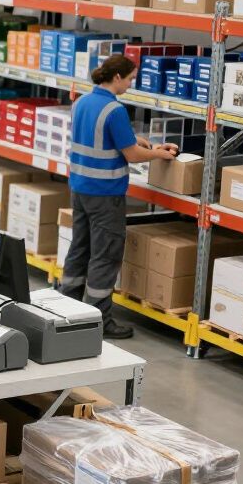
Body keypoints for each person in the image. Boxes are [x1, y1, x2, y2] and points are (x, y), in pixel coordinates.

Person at [62, 53, 178, 339]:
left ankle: (66, 307)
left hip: (79, 189)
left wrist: (130, 136)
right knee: (105, 256)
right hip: (105, 195)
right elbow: (132, 154)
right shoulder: (114, 110)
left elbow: (97, 136)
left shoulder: (81, 102)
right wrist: (157, 153)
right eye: (130, 79)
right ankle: (98, 320)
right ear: (117, 78)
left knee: (79, 248)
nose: (130, 84)